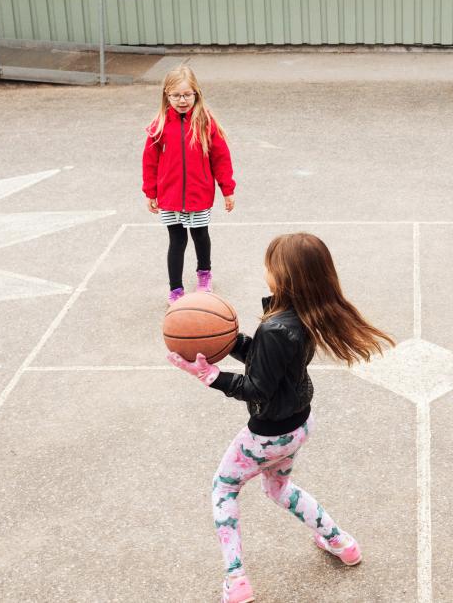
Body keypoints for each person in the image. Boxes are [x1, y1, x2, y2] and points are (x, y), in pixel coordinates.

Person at [168, 233, 394, 603]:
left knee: (224, 488)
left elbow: (257, 386)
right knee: (278, 488)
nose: (265, 272)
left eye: (270, 267)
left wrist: (210, 377)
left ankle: (236, 579)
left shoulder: (276, 327)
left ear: (286, 276)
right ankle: (341, 542)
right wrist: (230, 342)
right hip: (297, 426)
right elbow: (269, 364)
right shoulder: (304, 315)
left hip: (267, 436)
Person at [143, 65, 235, 303]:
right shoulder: (159, 125)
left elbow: (221, 158)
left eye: (187, 95)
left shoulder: (206, 122)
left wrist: (228, 190)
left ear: (196, 93)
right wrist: (150, 192)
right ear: (167, 95)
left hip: (198, 195)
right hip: (169, 196)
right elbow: (149, 161)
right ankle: (176, 288)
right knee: (176, 240)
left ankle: (204, 275)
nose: (182, 100)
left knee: (200, 235)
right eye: (176, 95)